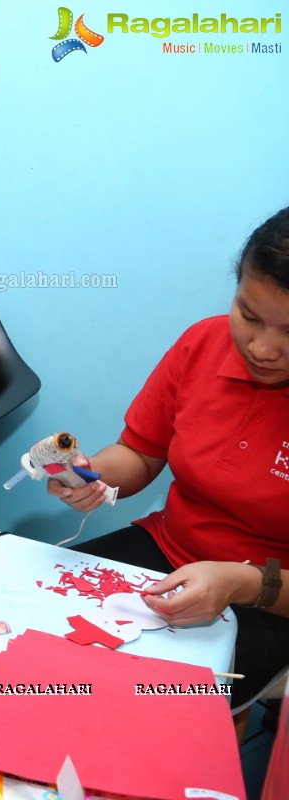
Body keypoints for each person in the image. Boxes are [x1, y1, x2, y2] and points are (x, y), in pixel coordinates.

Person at [49, 205, 289, 710]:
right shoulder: (203, 343)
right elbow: (140, 452)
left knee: (134, 706)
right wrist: (87, 475)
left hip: (270, 600)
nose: (263, 348)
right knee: (31, 637)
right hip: (165, 550)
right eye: (248, 315)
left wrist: (243, 583)